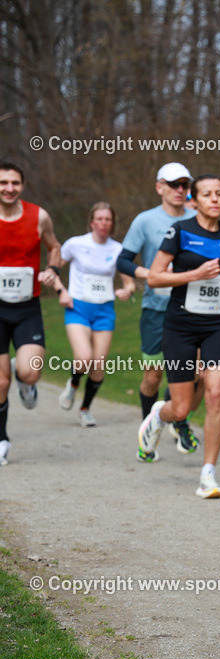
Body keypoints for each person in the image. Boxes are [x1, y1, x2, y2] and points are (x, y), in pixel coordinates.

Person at [137, 174, 220, 498]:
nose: (215, 199)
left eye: (219, 193)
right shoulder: (180, 232)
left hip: (217, 326)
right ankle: (158, 416)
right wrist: (195, 274)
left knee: (216, 392)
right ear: (194, 201)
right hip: (180, 326)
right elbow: (154, 277)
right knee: (180, 409)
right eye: (207, 194)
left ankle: (208, 474)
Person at [117, 162, 203, 461]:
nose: (180, 190)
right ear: (159, 187)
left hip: (192, 308)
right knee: (153, 376)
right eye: (173, 184)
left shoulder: (198, 219)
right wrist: (150, 274)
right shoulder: (145, 220)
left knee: (195, 373)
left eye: (184, 185)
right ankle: (150, 429)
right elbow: (123, 260)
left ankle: (179, 420)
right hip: (156, 308)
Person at [0, 160, 62, 465]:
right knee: (0, 383)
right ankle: (1, 439)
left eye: (15, 183)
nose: (9, 188)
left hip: (27, 308)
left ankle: (23, 377)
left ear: (22, 185)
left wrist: (52, 270)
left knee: (31, 371)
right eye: (3, 183)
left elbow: (54, 247)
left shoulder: (39, 216)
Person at [55, 202, 135, 426]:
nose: (103, 223)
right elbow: (53, 269)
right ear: (91, 222)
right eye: (99, 219)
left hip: (104, 310)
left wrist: (127, 290)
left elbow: (129, 282)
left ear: (112, 223)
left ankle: (85, 409)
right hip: (78, 307)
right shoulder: (76, 244)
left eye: (107, 219)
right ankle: (73, 383)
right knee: (83, 358)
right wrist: (61, 291)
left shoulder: (117, 250)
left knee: (98, 366)